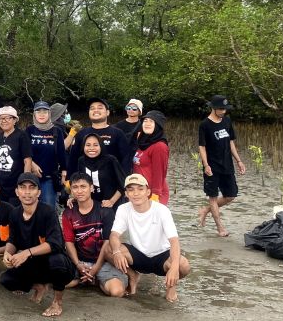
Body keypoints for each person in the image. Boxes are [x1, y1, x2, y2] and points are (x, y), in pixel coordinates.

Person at [0, 173, 75, 318]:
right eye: (22, 187)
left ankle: (57, 302)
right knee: (6, 280)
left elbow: (56, 243)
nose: (27, 192)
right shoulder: (15, 213)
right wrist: (7, 253)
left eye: (32, 188)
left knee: (57, 260)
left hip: (57, 265)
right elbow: (12, 239)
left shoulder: (47, 212)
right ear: (17, 191)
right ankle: (39, 286)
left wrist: (26, 252)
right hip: (34, 264)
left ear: (39, 192)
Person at [107, 174, 191, 302]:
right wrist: (117, 252)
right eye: (131, 189)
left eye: (140, 189)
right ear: (126, 194)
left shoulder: (161, 210)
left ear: (148, 192)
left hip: (161, 257)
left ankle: (171, 289)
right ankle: (132, 276)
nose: (136, 193)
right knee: (108, 248)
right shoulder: (123, 209)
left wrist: (174, 269)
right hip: (138, 255)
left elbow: (174, 241)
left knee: (183, 265)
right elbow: (114, 235)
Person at [61, 172, 127, 297]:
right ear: (71, 191)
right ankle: (85, 279)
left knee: (117, 292)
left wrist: (96, 268)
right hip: (79, 261)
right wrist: (78, 264)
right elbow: (68, 242)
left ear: (91, 188)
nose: (79, 191)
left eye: (83, 186)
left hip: (103, 261)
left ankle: (94, 279)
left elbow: (108, 243)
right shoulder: (68, 213)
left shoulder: (105, 211)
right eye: (75, 187)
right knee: (58, 284)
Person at [197, 95, 246, 237]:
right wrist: (206, 165)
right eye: (220, 109)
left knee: (231, 195)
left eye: (225, 109)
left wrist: (239, 161)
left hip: (227, 164)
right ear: (213, 108)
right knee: (212, 197)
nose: (223, 111)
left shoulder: (227, 121)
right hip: (212, 166)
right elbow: (202, 147)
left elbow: (231, 142)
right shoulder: (205, 125)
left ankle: (206, 210)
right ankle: (220, 228)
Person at [67, 98, 131, 173]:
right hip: (86, 181)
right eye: (92, 108)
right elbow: (73, 160)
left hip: (112, 182)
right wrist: (70, 178)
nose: (95, 110)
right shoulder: (81, 134)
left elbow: (126, 160)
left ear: (107, 112)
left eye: (100, 108)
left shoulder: (118, 133)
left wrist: (125, 180)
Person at [0, 106, 32, 207]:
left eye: (8, 118)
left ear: (15, 120)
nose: (4, 121)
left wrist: (25, 183)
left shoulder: (21, 136)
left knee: (17, 214)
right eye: (1, 118)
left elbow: (27, 160)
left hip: (17, 185)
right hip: (2, 185)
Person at [26, 101, 67, 208]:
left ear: (49, 114)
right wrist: (32, 165)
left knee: (49, 210)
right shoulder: (29, 130)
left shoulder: (56, 130)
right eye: (38, 112)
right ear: (34, 114)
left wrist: (64, 172)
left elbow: (62, 153)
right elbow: (24, 152)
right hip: (31, 178)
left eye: (45, 111)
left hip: (49, 178)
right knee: (30, 209)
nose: (42, 114)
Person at [74, 134, 126, 208]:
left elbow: (122, 184)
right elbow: (80, 183)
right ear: (83, 146)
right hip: (90, 206)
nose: (91, 148)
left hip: (109, 206)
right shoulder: (81, 161)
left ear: (101, 146)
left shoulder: (110, 160)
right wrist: (74, 197)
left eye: (95, 145)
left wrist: (111, 201)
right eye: (88, 145)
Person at [133, 110, 170, 205]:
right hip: (140, 191)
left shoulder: (159, 146)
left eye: (151, 121)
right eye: (145, 121)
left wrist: (155, 195)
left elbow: (160, 173)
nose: (147, 123)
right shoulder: (141, 142)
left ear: (158, 125)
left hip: (154, 194)